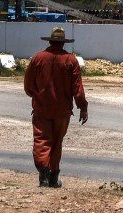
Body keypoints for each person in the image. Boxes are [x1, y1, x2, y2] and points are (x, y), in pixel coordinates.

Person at [22, 26, 88, 188]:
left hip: (42, 108)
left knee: (42, 141)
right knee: (57, 142)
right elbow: (77, 87)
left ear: (50, 40)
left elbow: (28, 85)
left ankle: (44, 176)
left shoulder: (38, 58)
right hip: (63, 111)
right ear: (63, 43)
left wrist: (35, 96)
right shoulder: (71, 60)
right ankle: (53, 177)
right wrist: (82, 107)